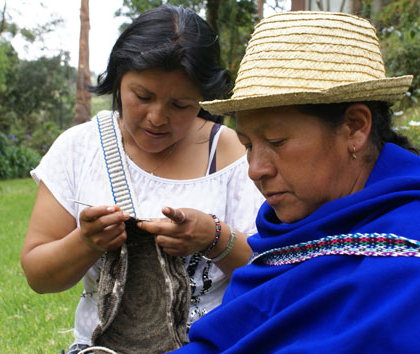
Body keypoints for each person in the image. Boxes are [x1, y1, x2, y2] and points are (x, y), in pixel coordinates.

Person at [173, 11, 420, 353]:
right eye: (249, 145)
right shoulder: (291, 235)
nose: (256, 169)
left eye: (277, 142)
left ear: (355, 127)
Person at [20, 5, 264, 354]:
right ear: (119, 78)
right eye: (142, 97)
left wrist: (213, 237)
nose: (157, 118)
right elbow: (38, 276)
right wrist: (86, 241)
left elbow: (270, 275)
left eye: (180, 105)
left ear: (205, 98)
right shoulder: (79, 149)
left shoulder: (234, 155)